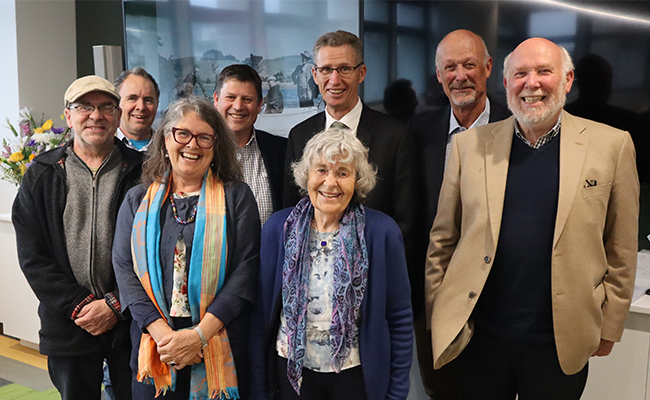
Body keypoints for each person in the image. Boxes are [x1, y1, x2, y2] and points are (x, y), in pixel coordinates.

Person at [426, 38, 639, 399]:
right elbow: (443, 240)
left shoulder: (612, 146)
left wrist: (611, 324)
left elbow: (621, 246)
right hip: (481, 339)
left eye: (544, 71)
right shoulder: (468, 147)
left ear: (568, 80)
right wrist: (440, 311)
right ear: (506, 84)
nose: (532, 83)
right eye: (520, 74)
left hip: (559, 345)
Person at [112, 96, 260, 399]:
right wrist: (164, 336)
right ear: (166, 139)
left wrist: (198, 337)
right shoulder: (137, 200)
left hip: (218, 341)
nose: (192, 145)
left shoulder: (237, 197)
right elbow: (125, 271)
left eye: (204, 137)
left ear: (215, 146)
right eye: (182, 134)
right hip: (155, 346)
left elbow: (245, 271)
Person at [251, 128, 413, 400]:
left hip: (354, 375)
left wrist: (396, 393)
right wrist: (258, 387)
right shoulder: (278, 228)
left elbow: (399, 319)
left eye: (342, 173)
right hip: (291, 373)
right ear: (307, 175)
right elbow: (260, 316)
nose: (330, 183)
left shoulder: (382, 232)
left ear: (357, 180)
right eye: (321, 170)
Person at [12, 75, 143, 400]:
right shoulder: (42, 174)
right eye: (85, 107)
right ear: (68, 115)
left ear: (117, 115)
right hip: (68, 324)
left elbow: (155, 249)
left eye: (105, 107)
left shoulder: (144, 172)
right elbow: (33, 256)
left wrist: (115, 304)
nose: (95, 115)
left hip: (131, 323)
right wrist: (80, 306)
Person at [283, 30, 420, 311]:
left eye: (345, 69)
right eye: (326, 70)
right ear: (314, 74)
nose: (335, 80)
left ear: (362, 73)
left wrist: (371, 280)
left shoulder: (396, 136)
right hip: (312, 293)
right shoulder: (299, 135)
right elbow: (293, 214)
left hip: (373, 290)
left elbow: (406, 223)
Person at [409, 29, 510, 400]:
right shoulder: (418, 131)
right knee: (441, 389)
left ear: (488, 69)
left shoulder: (516, 127)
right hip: (435, 293)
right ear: (438, 76)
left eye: (469, 65)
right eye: (450, 67)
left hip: (499, 295)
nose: (460, 75)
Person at [213, 64, 287, 224]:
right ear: (216, 100)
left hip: (269, 248)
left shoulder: (283, 151)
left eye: (247, 99)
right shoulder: (201, 151)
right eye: (230, 97)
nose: (238, 107)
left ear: (259, 105)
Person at [114, 67, 160, 152]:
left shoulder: (168, 148)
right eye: (132, 98)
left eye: (148, 100)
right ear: (117, 104)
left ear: (157, 105)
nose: (141, 107)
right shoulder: (103, 148)